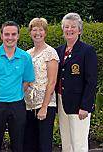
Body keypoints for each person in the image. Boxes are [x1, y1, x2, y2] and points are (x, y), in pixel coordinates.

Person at [0, 21, 35, 152]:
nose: (10, 37)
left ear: (18, 36)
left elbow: (27, 81)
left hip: (17, 105)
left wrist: (14, 93)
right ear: (2, 36)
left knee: (18, 144)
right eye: (7, 34)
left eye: (13, 34)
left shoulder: (25, 57)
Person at [56, 13, 97, 152]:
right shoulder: (59, 51)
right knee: (66, 142)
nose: (69, 29)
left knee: (79, 144)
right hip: (62, 101)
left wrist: (85, 106)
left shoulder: (87, 50)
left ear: (79, 30)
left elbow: (91, 81)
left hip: (79, 104)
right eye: (66, 26)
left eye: (73, 26)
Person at [24, 18, 59, 152]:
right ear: (30, 32)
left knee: (44, 144)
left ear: (45, 32)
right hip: (29, 104)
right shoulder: (27, 54)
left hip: (45, 104)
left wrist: (44, 107)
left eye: (41, 29)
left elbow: (52, 82)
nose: (37, 33)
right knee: (29, 143)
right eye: (34, 29)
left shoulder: (51, 53)